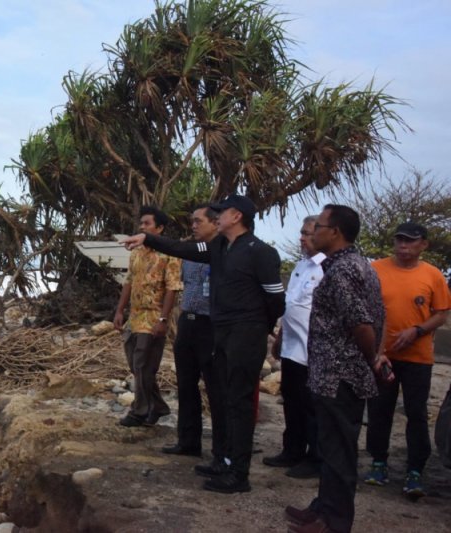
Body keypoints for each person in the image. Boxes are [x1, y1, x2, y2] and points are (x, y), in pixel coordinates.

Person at [121, 194, 285, 494]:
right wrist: (147, 238)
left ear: (236, 216)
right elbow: (182, 248)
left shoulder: (260, 252)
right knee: (225, 398)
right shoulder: (219, 247)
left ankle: (239, 473)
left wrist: (257, 326)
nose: (217, 216)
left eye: (220, 212)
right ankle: (223, 462)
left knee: (238, 401)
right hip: (221, 332)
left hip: (245, 334)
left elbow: (276, 300)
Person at [285, 204, 391, 533]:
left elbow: (362, 322)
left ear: (336, 232)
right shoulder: (354, 265)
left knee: (339, 452)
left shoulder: (344, 270)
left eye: (319, 226)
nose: (312, 232)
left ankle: (335, 522)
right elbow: (378, 313)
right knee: (331, 448)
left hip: (340, 377)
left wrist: (371, 357)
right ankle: (322, 509)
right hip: (332, 375)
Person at [364, 222, 451, 498]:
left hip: (418, 357)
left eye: (410, 241)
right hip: (382, 355)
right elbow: (364, 307)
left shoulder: (433, 275)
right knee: (379, 410)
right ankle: (378, 463)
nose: (403, 246)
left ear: (423, 244)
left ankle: (415, 470)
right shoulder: (375, 269)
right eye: (399, 240)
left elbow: (441, 313)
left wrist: (417, 330)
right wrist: (375, 349)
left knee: (416, 413)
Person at [161, 205, 227, 461]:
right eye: (192, 221)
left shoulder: (223, 250)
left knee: (216, 388)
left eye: (198, 221)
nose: (193, 226)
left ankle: (222, 451)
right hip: (187, 322)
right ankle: (188, 441)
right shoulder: (189, 252)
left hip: (210, 325)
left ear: (214, 223)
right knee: (186, 385)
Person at [263, 216, 325, 479]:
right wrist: (279, 338)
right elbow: (291, 307)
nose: (302, 238)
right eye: (301, 232)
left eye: (308, 233)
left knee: (312, 408)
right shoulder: (301, 265)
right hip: (291, 348)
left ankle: (316, 458)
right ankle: (293, 450)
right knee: (292, 403)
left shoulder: (327, 267)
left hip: (314, 352)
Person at [113, 206, 182, 428]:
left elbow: (172, 288)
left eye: (147, 224)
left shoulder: (170, 253)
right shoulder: (136, 252)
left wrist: (163, 320)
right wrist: (119, 310)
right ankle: (159, 406)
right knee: (137, 366)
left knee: (143, 364)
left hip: (153, 317)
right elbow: (129, 282)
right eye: (141, 223)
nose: (142, 227)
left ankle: (139, 411)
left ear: (160, 228)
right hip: (134, 317)